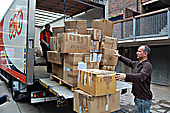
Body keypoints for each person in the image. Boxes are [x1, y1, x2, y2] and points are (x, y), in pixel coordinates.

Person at [113, 45, 153, 113]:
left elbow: (141, 76)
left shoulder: (147, 65)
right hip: (138, 98)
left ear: (145, 54)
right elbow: (129, 62)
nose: (136, 53)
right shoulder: (137, 64)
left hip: (143, 100)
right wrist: (119, 56)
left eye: (139, 51)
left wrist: (126, 76)